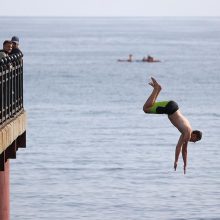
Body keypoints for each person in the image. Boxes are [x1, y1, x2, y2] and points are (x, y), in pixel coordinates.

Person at [143, 77, 202, 174]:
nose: (193, 141)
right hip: (170, 109)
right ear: (195, 135)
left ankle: (157, 89)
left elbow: (178, 147)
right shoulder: (187, 133)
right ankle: (157, 89)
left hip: (172, 105)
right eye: (195, 140)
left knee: (148, 107)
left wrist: (177, 161)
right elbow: (184, 150)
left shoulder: (185, 131)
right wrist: (183, 164)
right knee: (146, 109)